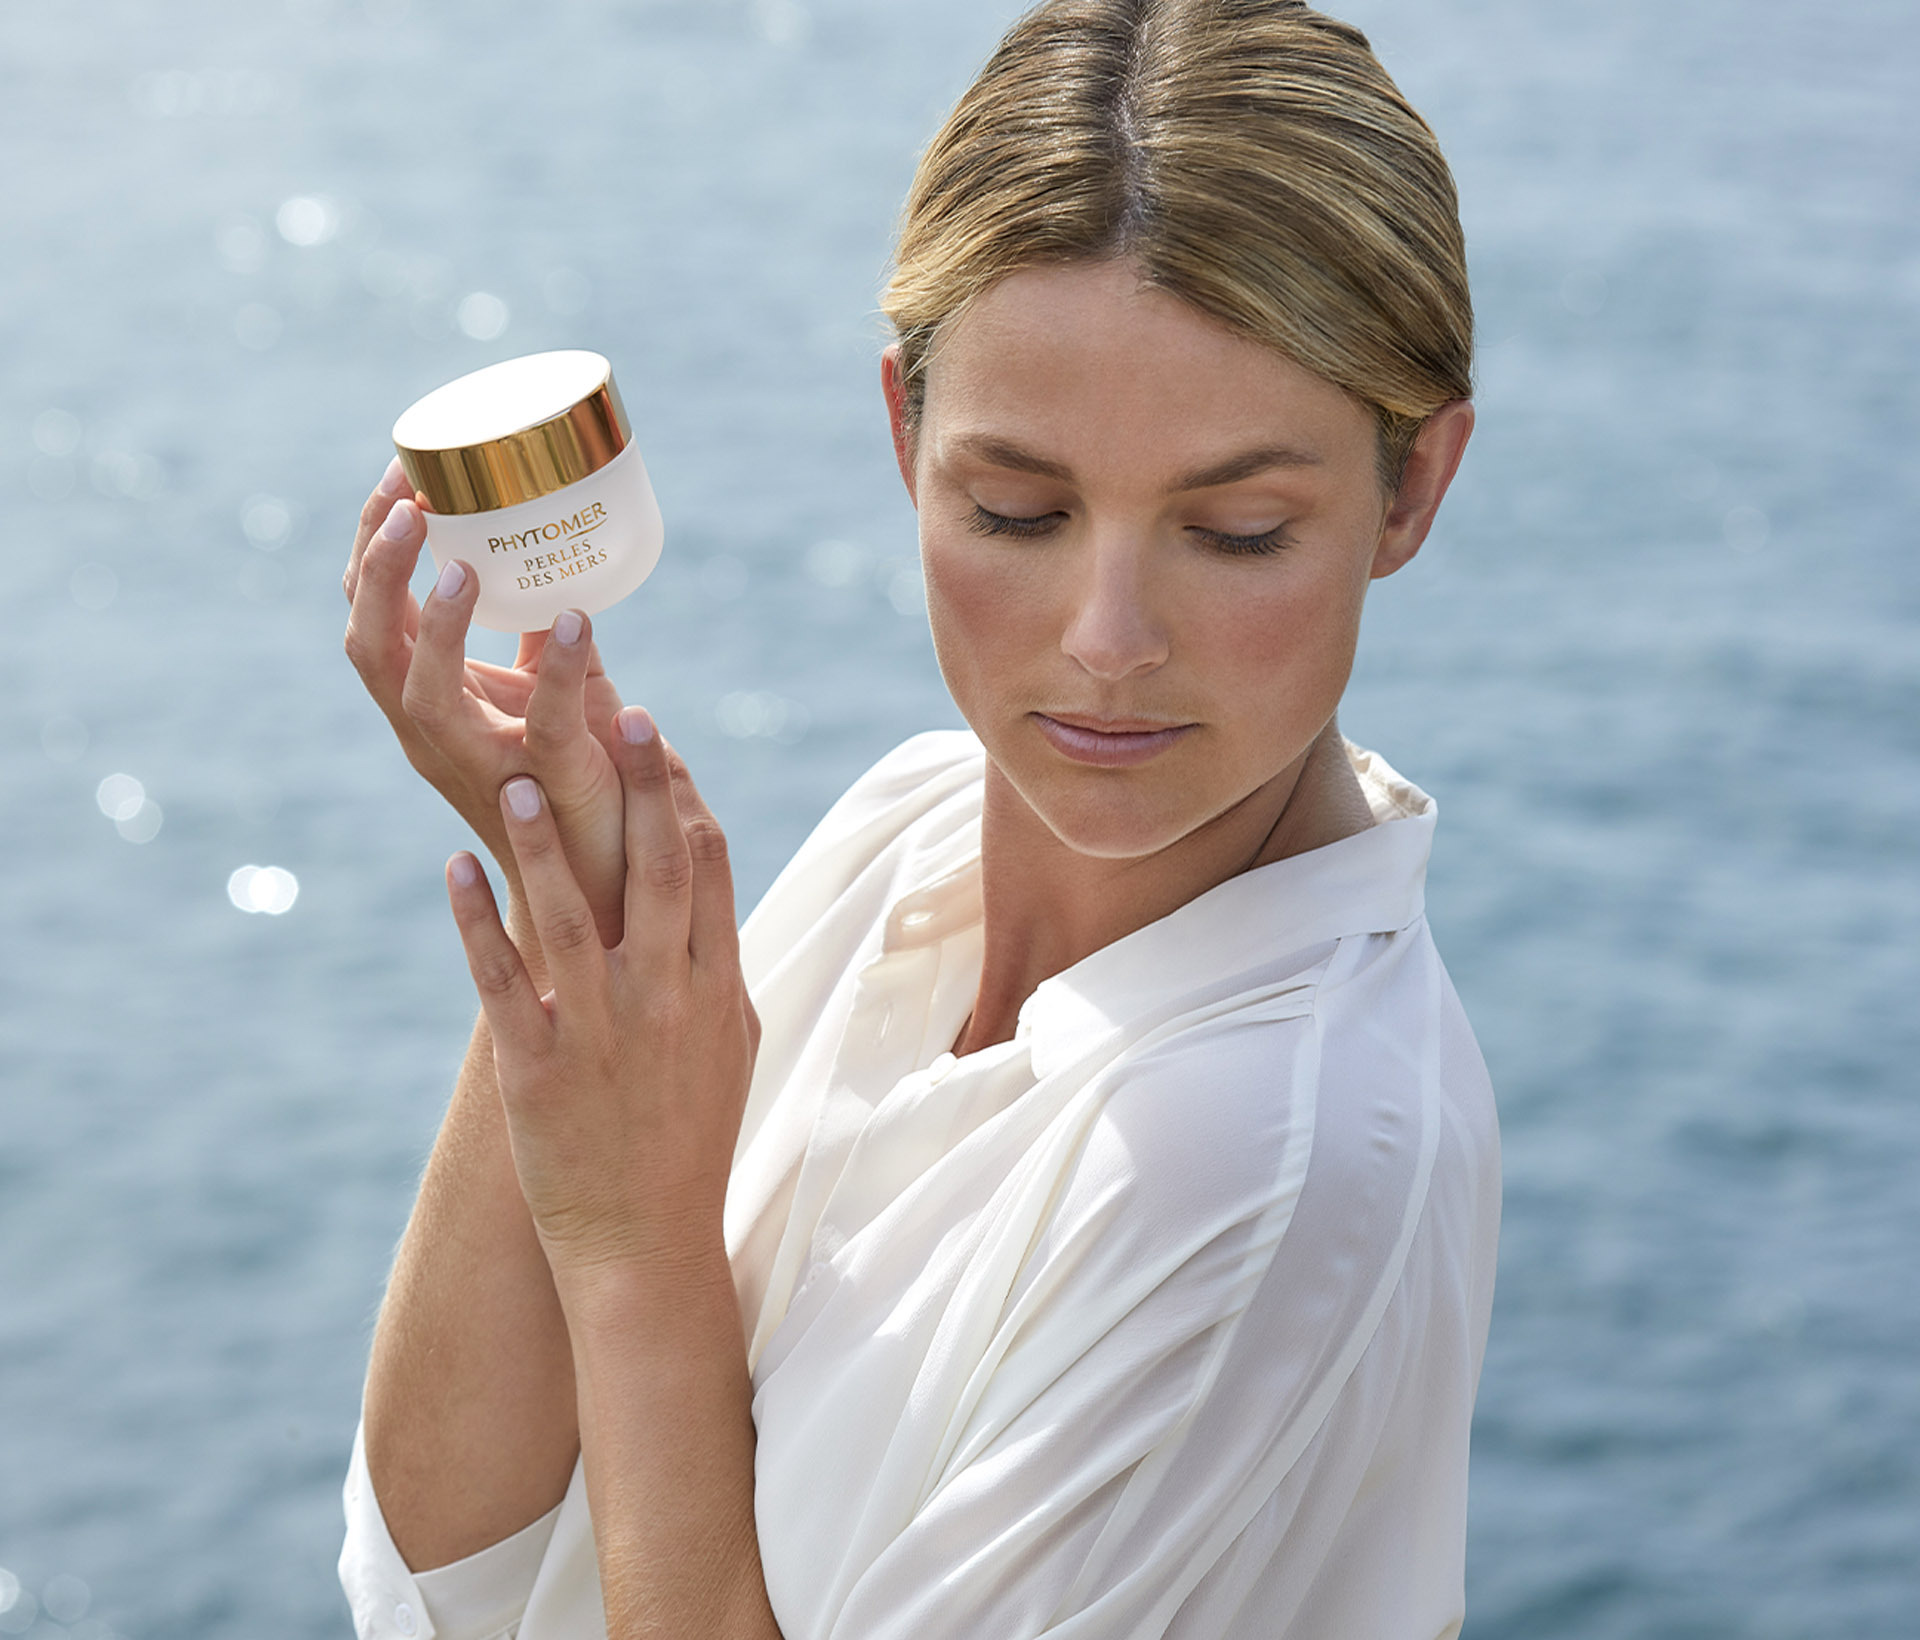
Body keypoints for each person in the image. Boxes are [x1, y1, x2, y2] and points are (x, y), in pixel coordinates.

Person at [336, 2, 1499, 1636]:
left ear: (1413, 491)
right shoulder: (908, 827)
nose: (1105, 638)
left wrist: (633, 1246)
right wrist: (575, 888)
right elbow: (436, 1576)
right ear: (903, 435)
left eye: (1236, 531)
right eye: (1015, 510)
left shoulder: (1271, 1169)